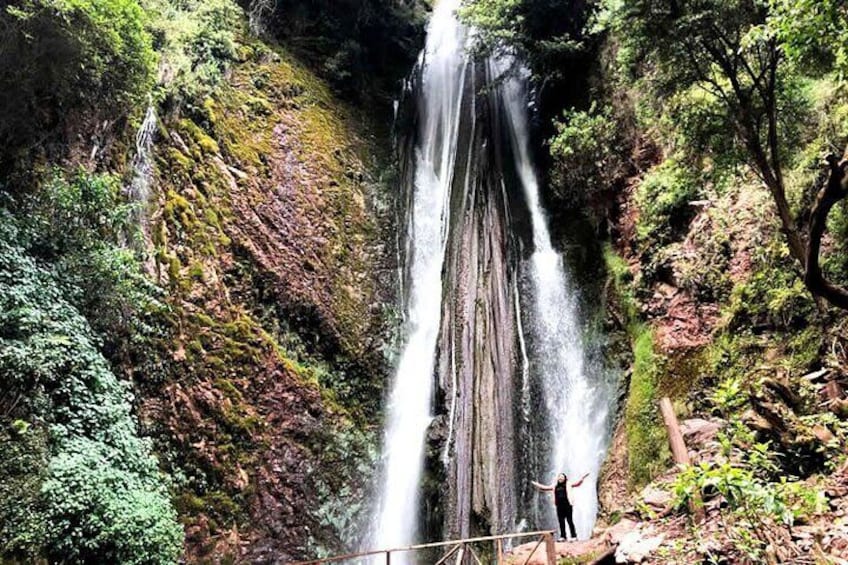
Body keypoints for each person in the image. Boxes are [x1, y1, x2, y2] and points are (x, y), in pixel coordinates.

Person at [531, 472, 590, 542]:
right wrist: (537, 484)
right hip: (559, 506)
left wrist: (582, 478)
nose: (560, 478)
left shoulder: (568, 484)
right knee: (561, 521)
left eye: (562, 477)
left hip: (568, 505)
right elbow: (545, 488)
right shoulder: (555, 486)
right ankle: (563, 536)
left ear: (565, 478)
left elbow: (577, 483)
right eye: (559, 477)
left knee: (569, 520)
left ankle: (574, 536)